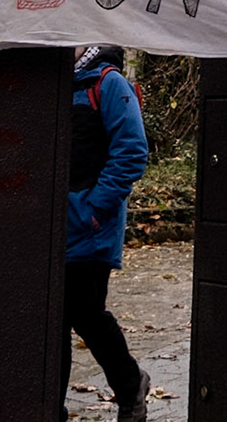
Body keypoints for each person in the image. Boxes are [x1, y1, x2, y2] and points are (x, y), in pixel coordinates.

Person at [61, 45, 152, 422]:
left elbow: (132, 151)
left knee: (85, 314)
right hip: (53, 230)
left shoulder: (108, 83)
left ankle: (131, 387)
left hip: (88, 231)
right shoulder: (55, 85)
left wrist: (94, 208)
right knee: (53, 318)